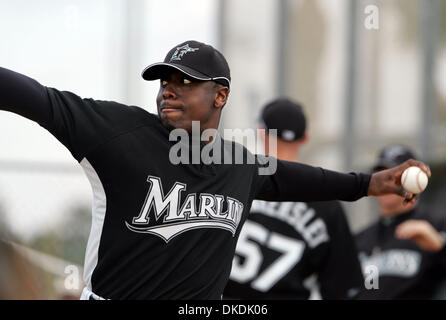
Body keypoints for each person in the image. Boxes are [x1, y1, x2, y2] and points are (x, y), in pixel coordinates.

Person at [0, 40, 430, 300]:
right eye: (164, 79)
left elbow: (302, 178)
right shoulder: (120, 132)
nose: (169, 88)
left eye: (185, 81)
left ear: (220, 96)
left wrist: (371, 184)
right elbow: (40, 100)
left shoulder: (239, 165)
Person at [223, 98, 364, 299]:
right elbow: (342, 286)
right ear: (305, 138)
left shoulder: (236, 179)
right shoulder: (327, 200)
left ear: (261, 133)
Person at [355, 144, 446, 299]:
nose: (388, 182)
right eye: (382, 174)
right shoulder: (360, 238)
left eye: (398, 175)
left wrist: (439, 246)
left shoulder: (436, 225)